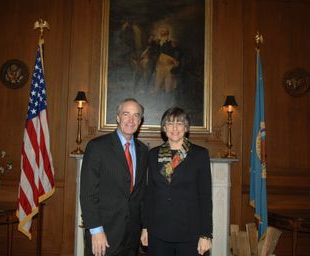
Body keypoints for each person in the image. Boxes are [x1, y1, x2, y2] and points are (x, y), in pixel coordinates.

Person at [80, 98, 148, 256]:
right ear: (118, 117)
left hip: (131, 236)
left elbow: (142, 194)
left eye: (136, 115)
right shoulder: (97, 147)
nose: (131, 120)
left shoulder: (143, 150)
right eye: (126, 114)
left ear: (140, 120)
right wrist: (96, 230)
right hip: (103, 233)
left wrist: (145, 226)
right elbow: (88, 193)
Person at [141, 107, 213, 256]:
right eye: (170, 123)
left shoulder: (200, 155)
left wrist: (206, 234)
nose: (174, 128)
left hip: (189, 233)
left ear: (186, 128)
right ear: (164, 128)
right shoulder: (153, 155)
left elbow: (205, 197)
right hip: (158, 232)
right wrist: (145, 227)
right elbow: (149, 195)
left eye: (179, 123)